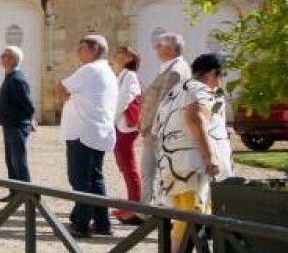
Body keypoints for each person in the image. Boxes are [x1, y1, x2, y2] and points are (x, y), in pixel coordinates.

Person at [153, 53, 233, 245]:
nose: (221, 83)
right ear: (214, 73)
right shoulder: (201, 90)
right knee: (192, 220)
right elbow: (195, 117)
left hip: (174, 165)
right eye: (222, 77)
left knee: (185, 219)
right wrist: (210, 157)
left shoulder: (176, 91)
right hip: (193, 168)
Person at [57, 34, 118, 239]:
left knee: (80, 180)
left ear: (94, 50)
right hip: (99, 132)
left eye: (82, 48)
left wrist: (67, 98)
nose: (78, 52)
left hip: (82, 132)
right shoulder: (107, 70)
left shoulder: (89, 69)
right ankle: (102, 222)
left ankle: (81, 224)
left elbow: (61, 87)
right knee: (95, 179)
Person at [140, 33, 190, 204]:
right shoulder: (171, 68)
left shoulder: (175, 71)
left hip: (159, 134)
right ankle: (146, 209)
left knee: (154, 173)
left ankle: (152, 212)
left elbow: (163, 105)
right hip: (156, 132)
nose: (156, 50)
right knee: (149, 173)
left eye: (159, 46)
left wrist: (150, 130)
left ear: (168, 49)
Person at [0, 46, 35, 200]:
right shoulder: (10, 76)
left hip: (17, 125)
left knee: (19, 161)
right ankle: (15, 193)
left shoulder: (17, 78)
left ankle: (26, 194)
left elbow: (28, 104)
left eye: (4, 55)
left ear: (12, 59)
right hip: (9, 125)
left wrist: (30, 119)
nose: (1, 57)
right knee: (11, 160)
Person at [110, 47, 144, 224]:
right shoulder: (121, 75)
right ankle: (131, 204)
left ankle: (135, 207)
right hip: (119, 125)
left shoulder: (130, 76)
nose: (116, 55)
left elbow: (123, 100)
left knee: (129, 166)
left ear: (130, 57)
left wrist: (110, 119)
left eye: (121, 52)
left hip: (125, 127)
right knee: (124, 165)